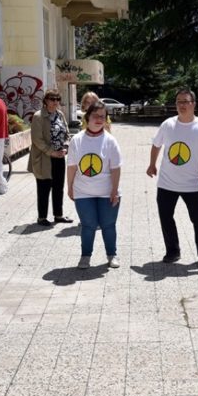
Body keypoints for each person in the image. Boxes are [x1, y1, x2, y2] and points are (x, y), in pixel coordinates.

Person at [146, 88, 198, 266]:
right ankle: (172, 251)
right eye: (179, 101)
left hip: (192, 184)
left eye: (186, 101)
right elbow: (156, 145)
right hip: (166, 182)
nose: (182, 105)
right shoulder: (168, 124)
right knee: (166, 217)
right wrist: (152, 164)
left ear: (193, 104)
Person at [67, 100, 123, 269]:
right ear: (87, 117)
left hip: (107, 192)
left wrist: (114, 190)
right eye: (95, 116)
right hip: (83, 192)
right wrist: (69, 187)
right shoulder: (77, 140)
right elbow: (71, 166)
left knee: (108, 225)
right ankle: (85, 256)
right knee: (88, 225)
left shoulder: (110, 141)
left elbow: (115, 169)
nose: (99, 119)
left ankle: (112, 255)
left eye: (102, 116)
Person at [30, 89, 73, 226]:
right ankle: (42, 217)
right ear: (46, 101)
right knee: (44, 187)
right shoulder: (38, 116)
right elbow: (37, 139)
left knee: (58, 186)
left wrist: (66, 146)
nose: (55, 102)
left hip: (59, 156)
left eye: (57, 99)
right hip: (44, 158)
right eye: (52, 99)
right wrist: (51, 152)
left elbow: (66, 133)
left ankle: (58, 215)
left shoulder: (60, 114)